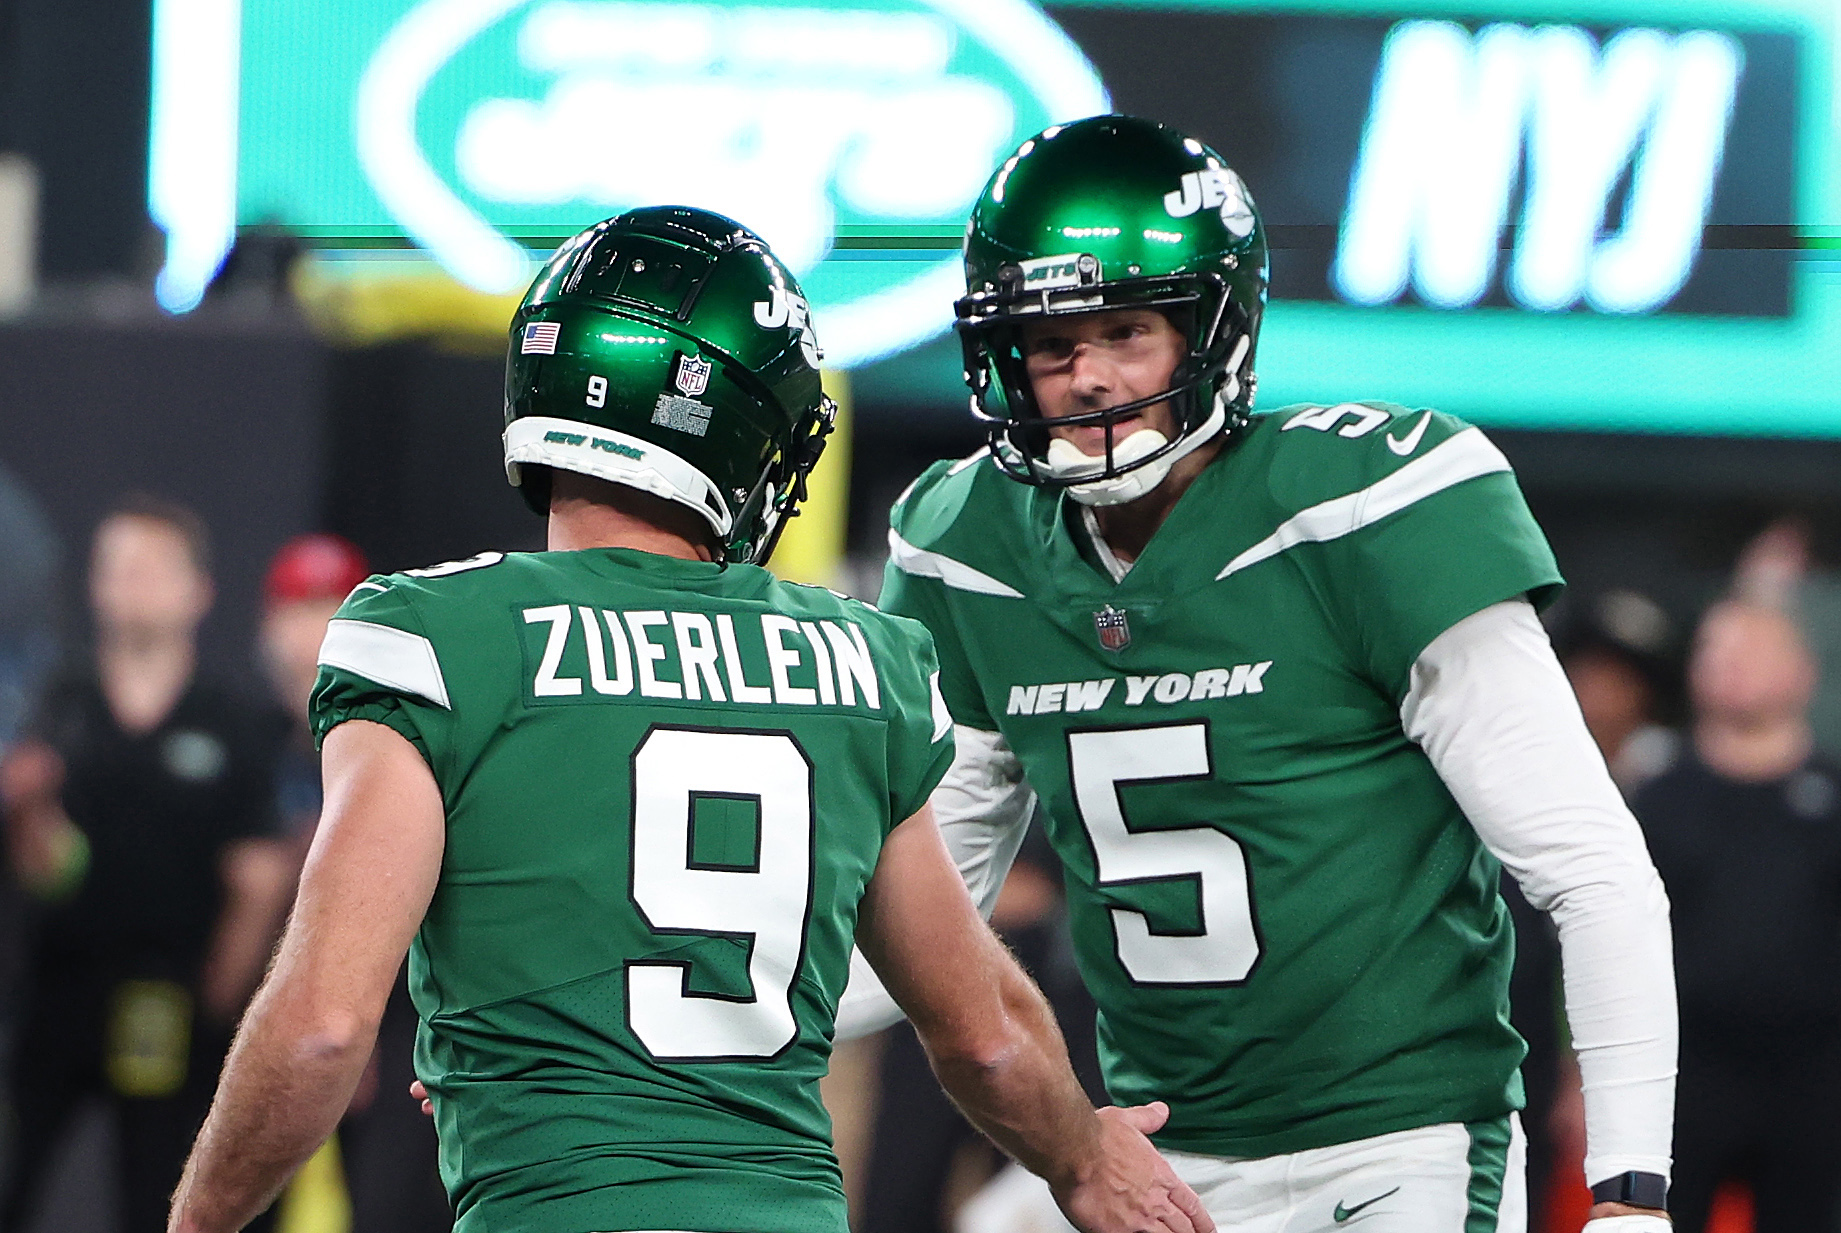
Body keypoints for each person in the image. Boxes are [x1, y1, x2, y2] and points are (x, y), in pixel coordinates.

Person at [165, 207, 1212, 1233]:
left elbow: (320, 1029)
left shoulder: (431, 635)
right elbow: (982, 1036)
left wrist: (201, 1218)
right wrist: (1080, 1160)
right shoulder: (860, 658)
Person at [853, 115, 1677, 1232]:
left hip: (1392, 1142)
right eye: (1050, 345)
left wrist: (1628, 1196)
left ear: (1217, 328)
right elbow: (919, 919)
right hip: (1150, 1148)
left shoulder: (1367, 508)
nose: (1086, 377)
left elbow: (1592, 870)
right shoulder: (965, 544)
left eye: (1125, 331)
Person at [0, 496, 295, 1233]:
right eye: (117, 567)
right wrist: (31, 808)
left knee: (157, 1197)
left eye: (151, 567)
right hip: (58, 991)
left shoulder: (230, 723)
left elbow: (259, 876)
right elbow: (52, 870)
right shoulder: (58, 709)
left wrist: (220, 1000)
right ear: (94, 585)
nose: (132, 583)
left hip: (171, 1001)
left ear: (198, 590)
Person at [257, 533, 453, 1231]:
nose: (312, 630)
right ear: (266, 627)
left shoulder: (405, 743)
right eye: (298, 607)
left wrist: (357, 1018)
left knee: (392, 1206)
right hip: (250, 1027)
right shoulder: (238, 743)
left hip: (381, 1020)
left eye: (330, 607)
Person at [1632, 599, 1841, 1233]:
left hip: (1816, 1076)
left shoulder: (1833, 795)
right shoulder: (1653, 797)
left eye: (1748, 653)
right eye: (1712, 653)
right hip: (1681, 1074)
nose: (1726, 668)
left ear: (1802, 672)